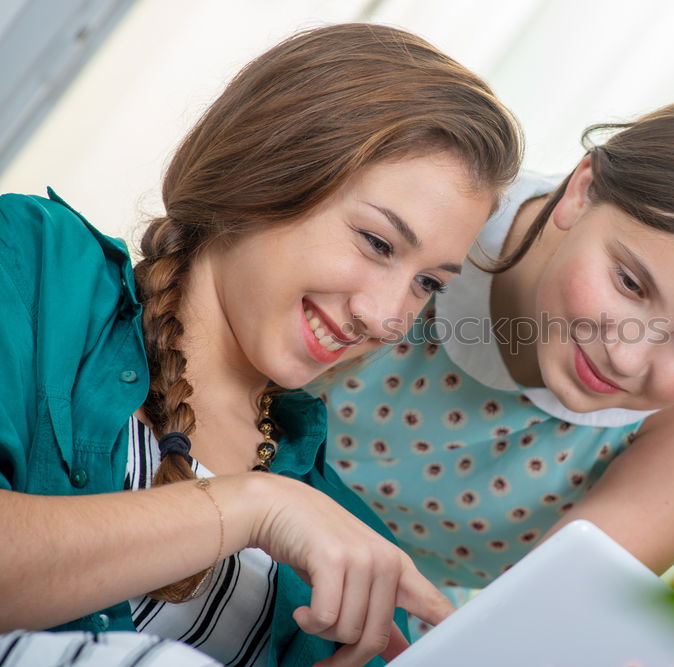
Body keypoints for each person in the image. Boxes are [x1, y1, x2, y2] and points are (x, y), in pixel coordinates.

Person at [0, 23, 521, 667]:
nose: (386, 316)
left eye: (426, 283)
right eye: (377, 242)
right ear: (265, 170)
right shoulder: (34, 268)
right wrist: (252, 505)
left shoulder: (348, 536)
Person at [317, 94, 674, 629]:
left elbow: (532, 621)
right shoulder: (441, 215)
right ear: (581, 190)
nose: (625, 357)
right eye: (629, 283)